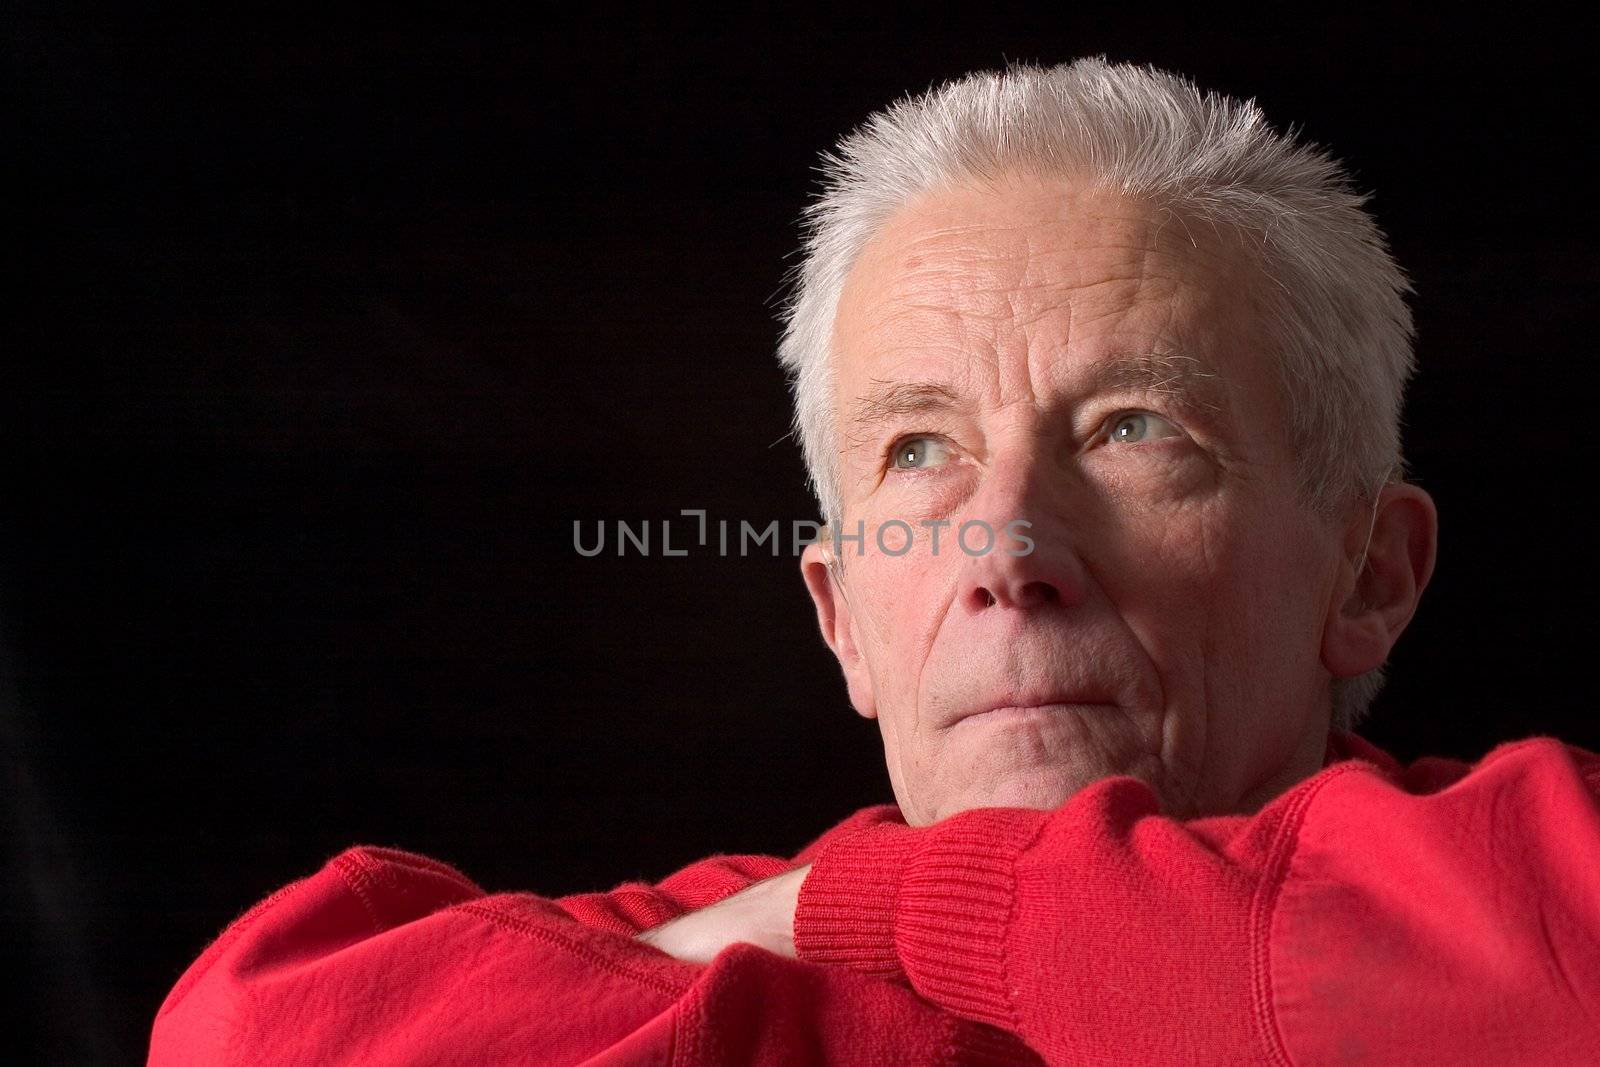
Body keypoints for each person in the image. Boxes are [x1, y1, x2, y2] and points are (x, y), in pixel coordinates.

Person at [148, 57, 1600, 1066]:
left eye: (1134, 426)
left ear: (1372, 578)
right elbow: (243, 1038)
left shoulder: (1526, 898)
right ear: (841, 619)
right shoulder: (742, 925)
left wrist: (891, 908)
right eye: (918, 451)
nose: (1008, 549)